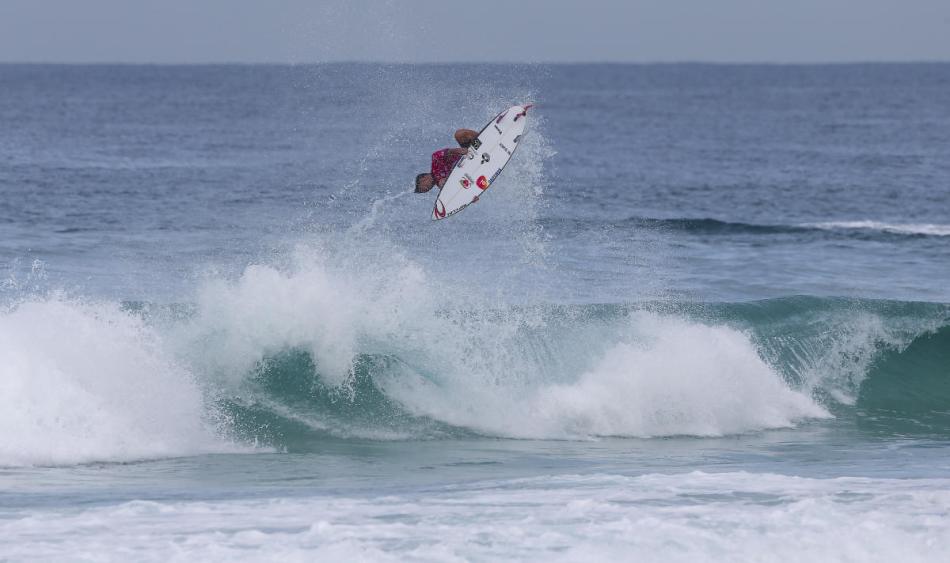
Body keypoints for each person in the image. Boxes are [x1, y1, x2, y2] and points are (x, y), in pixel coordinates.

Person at [414, 128, 480, 194]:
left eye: (422, 189)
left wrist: (456, 151)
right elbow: (461, 191)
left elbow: (442, 154)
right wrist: (472, 196)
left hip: (470, 154)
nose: (425, 190)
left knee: (459, 134)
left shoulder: (435, 163)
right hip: (473, 169)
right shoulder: (443, 188)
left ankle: (485, 140)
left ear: (423, 179)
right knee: (443, 184)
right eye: (424, 191)